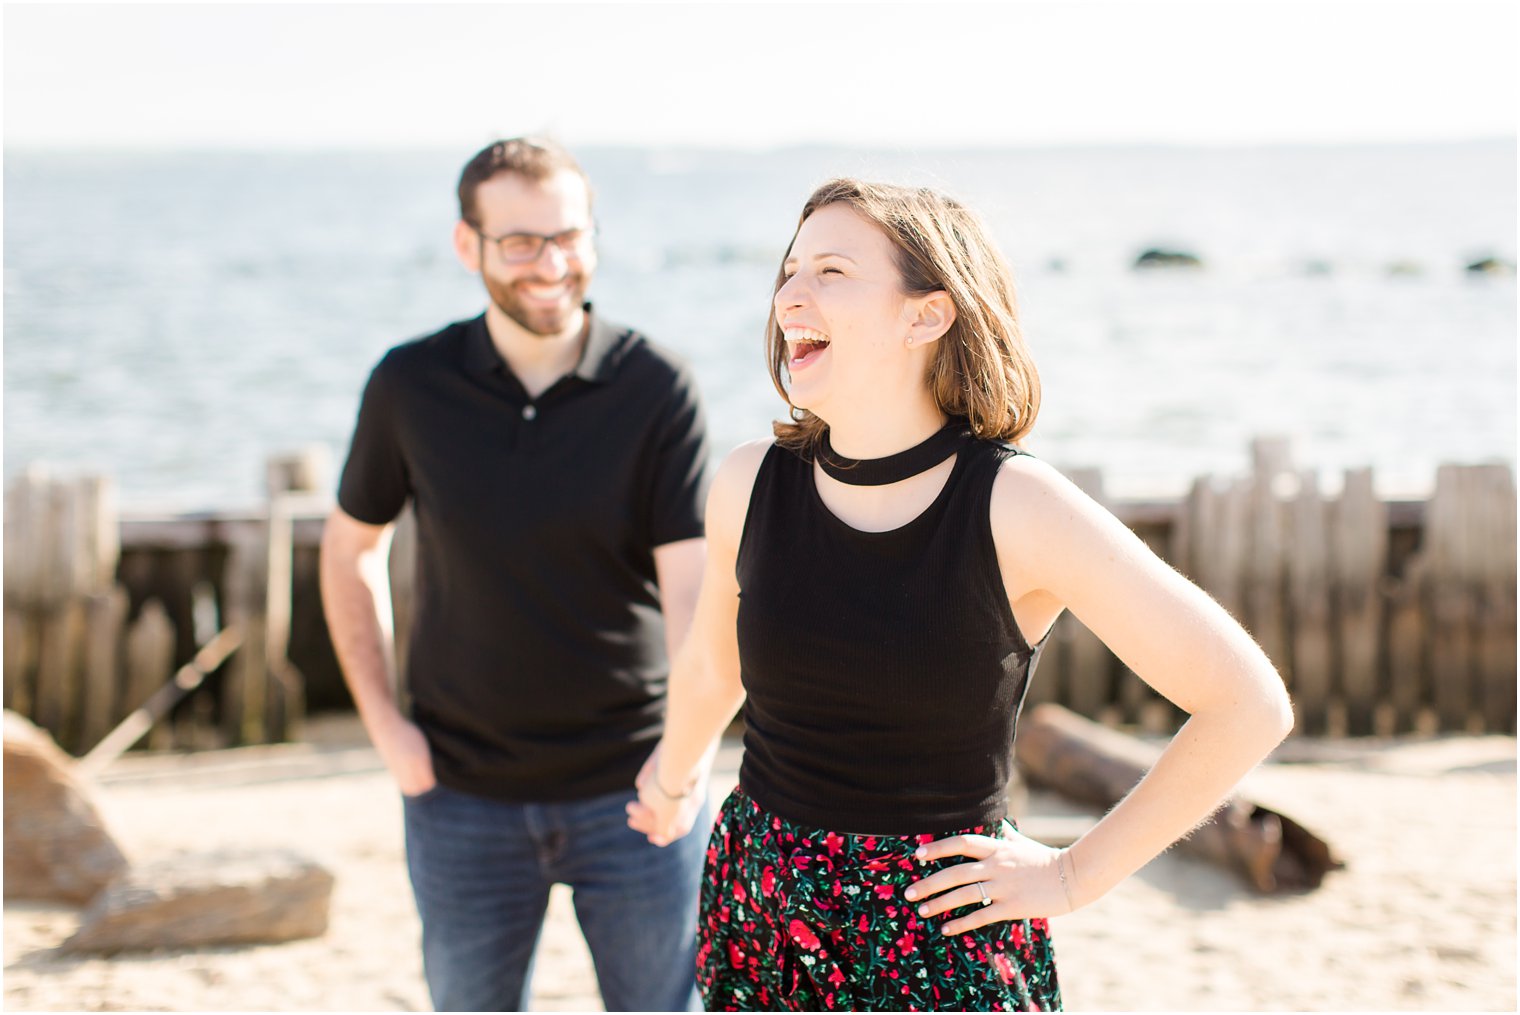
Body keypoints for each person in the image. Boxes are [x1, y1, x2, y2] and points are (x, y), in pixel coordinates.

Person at [626, 178, 1295, 1011]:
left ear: (925, 315)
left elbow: (1247, 702)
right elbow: (710, 674)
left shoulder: (1018, 505)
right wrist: (668, 780)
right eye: (788, 271)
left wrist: (1072, 873)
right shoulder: (749, 482)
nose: (789, 295)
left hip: (941, 935)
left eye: (830, 271)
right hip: (760, 905)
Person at [321, 137, 712, 1013]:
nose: (551, 264)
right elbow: (349, 548)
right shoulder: (410, 383)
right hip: (459, 795)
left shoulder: (658, 387)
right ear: (470, 246)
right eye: (521, 242)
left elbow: (693, 592)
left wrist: (681, 763)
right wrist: (386, 729)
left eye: (569, 237)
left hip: (635, 788)